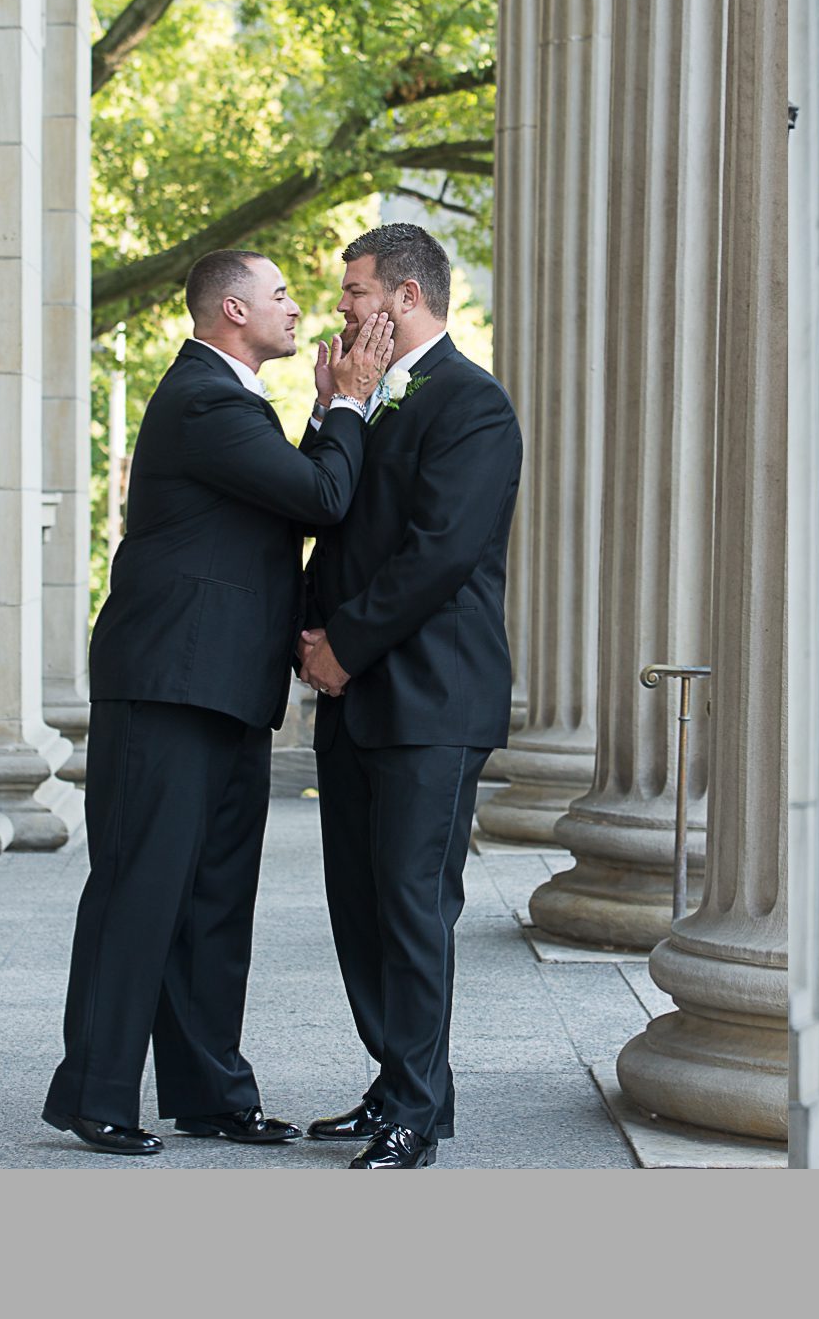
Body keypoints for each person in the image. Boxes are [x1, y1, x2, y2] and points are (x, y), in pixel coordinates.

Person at [43, 250, 388, 1155]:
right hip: (166, 682)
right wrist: (348, 399)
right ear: (233, 309)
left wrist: (325, 412)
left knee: (213, 899)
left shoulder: (235, 405)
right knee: (140, 888)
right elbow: (321, 498)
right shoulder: (203, 396)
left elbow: (294, 498)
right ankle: (96, 1094)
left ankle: (208, 1094)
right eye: (280, 294)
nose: (296, 306)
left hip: (224, 684)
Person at [298, 224, 522, 1169]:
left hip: (430, 698)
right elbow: (327, 507)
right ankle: (399, 1088)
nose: (344, 308)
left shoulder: (474, 404)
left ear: (406, 298)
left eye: (356, 293)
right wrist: (326, 414)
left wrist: (341, 646)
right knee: (359, 908)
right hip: (357, 701)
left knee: (411, 909)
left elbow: (439, 552)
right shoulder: (369, 399)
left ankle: (415, 1117)